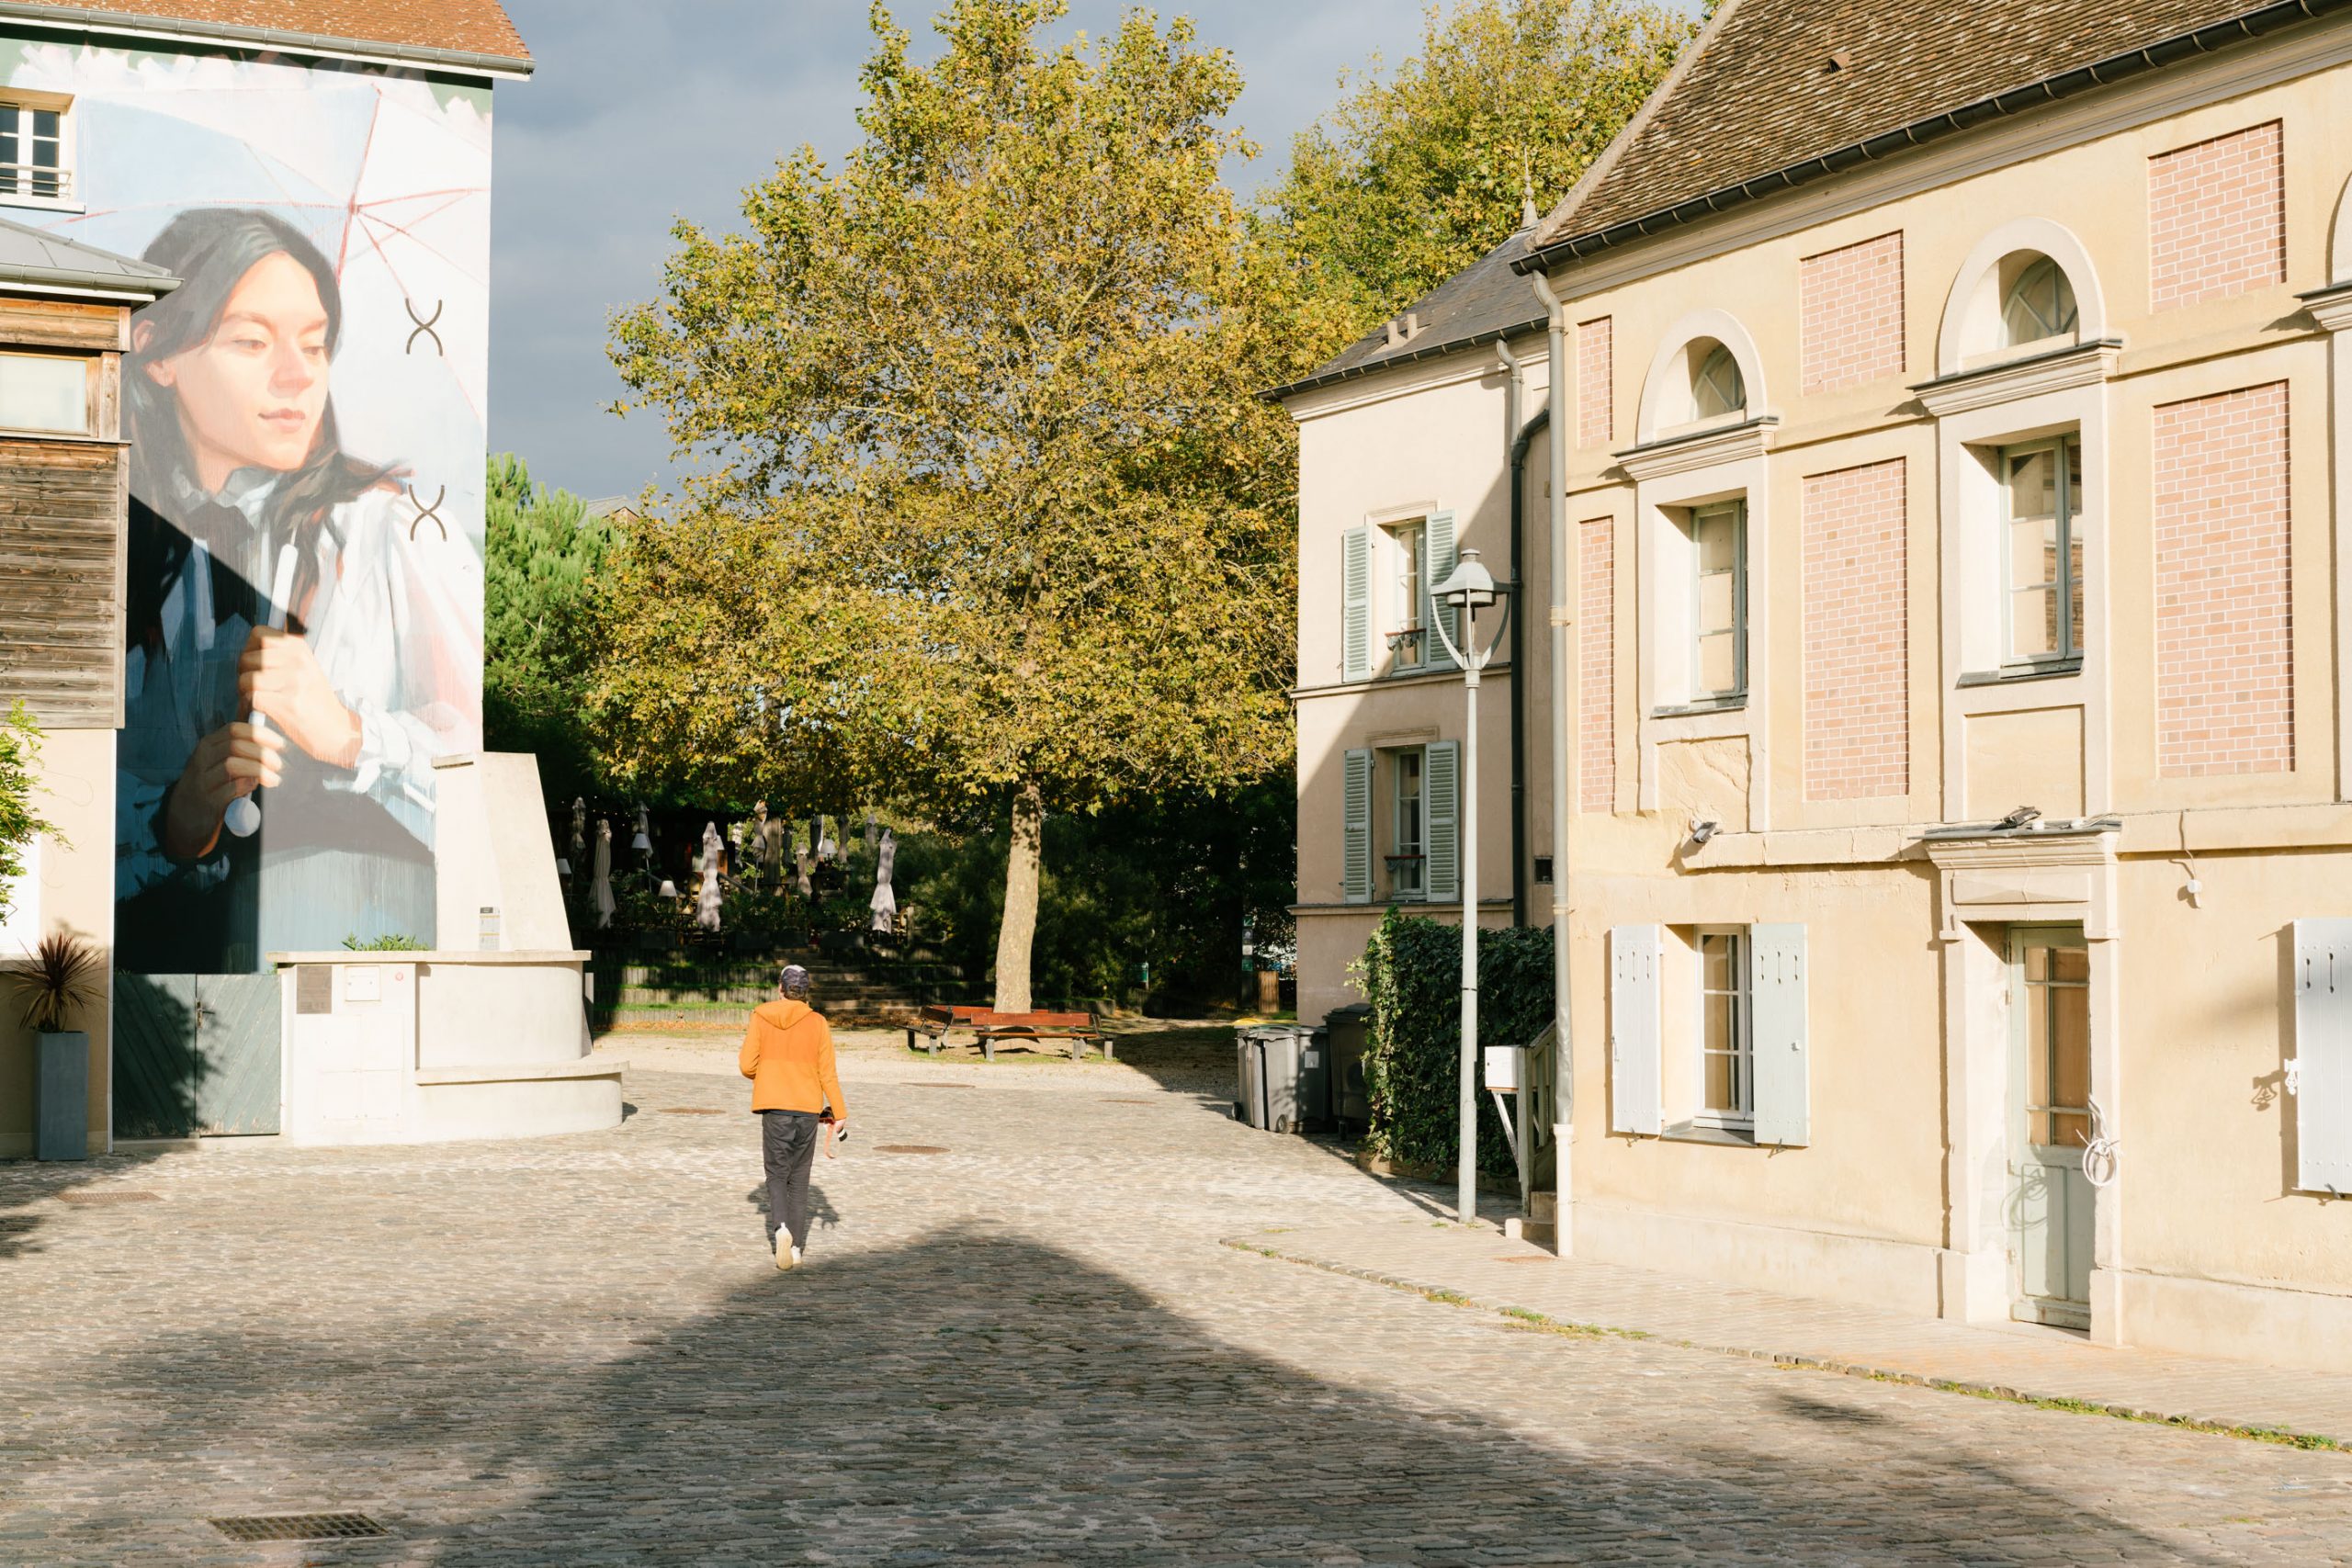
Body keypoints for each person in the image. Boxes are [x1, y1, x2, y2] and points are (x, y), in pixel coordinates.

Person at [117, 207, 478, 970]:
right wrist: (179, 820)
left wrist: (350, 735)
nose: (297, 375)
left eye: (315, 345)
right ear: (156, 353)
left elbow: (487, 798)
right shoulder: (129, 545)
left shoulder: (391, 534)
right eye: (252, 341)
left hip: (356, 937)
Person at [738, 964, 846, 1270]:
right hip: (808, 1109)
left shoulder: (760, 1017)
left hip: (775, 1107)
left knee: (776, 1174)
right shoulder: (818, 1023)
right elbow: (828, 1073)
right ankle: (796, 1247)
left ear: (780, 989)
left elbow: (747, 1065)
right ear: (805, 992)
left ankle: (781, 1229)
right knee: (799, 1179)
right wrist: (839, 1112)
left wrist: (771, 1073)